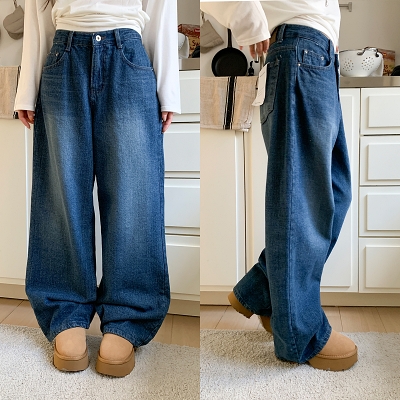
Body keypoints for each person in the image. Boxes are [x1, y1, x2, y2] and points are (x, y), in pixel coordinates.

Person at [14, 0, 180, 377]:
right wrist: (27, 88)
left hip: (129, 56)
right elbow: (37, 11)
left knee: (133, 197)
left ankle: (128, 314)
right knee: (62, 196)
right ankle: (65, 310)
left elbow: (162, 7)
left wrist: (168, 89)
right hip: (63, 55)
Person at [201, 1, 357, 371]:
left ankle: (262, 289)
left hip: (318, 57)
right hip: (299, 52)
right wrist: (248, 20)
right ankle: (299, 334)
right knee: (303, 204)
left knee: (335, 192)